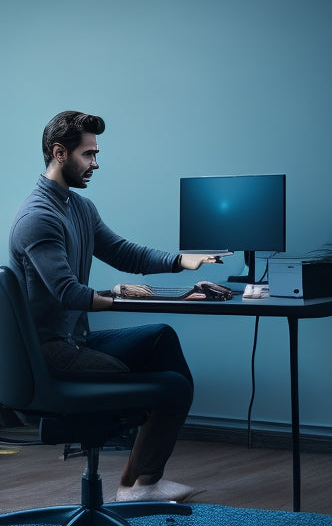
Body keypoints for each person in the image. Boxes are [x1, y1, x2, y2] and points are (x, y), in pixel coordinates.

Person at [8, 111, 218, 502]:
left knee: (160, 338)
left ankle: (139, 484)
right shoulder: (37, 218)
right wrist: (120, 293)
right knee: (172, 388)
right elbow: (67, 292)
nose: (95, 163)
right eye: (88, 155)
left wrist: (182, 261)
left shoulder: (79, 208)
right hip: (47, 355)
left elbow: (122, 252)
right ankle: (139, 485)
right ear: (59, 153)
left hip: (74, 341)